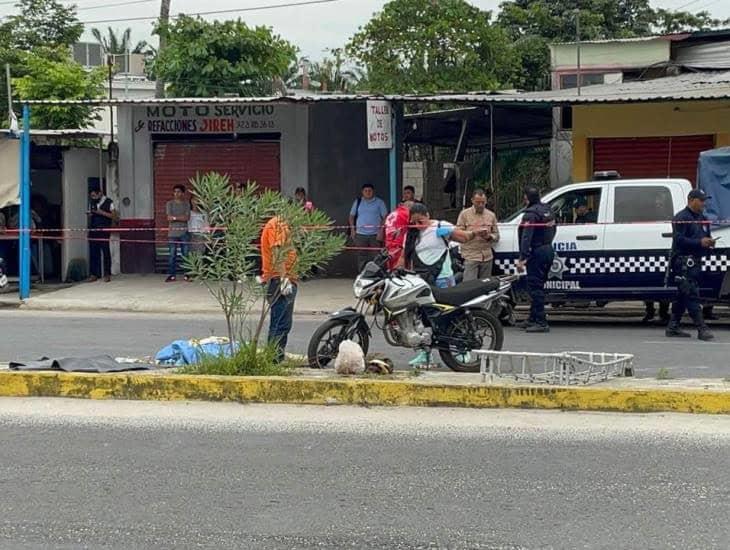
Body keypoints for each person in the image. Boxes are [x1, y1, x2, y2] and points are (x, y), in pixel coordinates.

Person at [404, 202, 489, 366]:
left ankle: (462, 352)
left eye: (420, 221)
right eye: (413, 222)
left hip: (443, 279)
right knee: (424, 318)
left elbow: (463, 237)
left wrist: (474, 233)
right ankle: (425, 354)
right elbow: (404, 257)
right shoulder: (412, 234)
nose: (417, 225)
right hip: (422, 283)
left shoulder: (441, 227)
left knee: (450, 317)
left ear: (428, 216)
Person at [666, 189, 715, 341]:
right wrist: (699, 242)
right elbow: (679, 240)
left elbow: (706, 236)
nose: (703, 203)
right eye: (701, 200)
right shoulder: (681, 218)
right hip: (683, 262)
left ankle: (673, 327)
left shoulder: (702, 217)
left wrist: (709, 242)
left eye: (704, 200)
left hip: (696, 262)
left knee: (683, 295)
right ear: (691, 200)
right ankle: (702, 328)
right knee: (691, 294)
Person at [516, 186, 556, 333]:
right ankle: (533, 318)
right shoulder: (547, 210)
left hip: (537, 253)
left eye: (524, 197)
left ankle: (540, 322)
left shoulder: (530, 214)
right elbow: (553, 229)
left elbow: (526, 237)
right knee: (538, 286)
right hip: (548, 250)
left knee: (535, 288)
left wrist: (522, 258)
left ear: (527, 198)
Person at [260, 215, 298, 362]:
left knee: (279, 322)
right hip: (278, 279)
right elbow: (277, 251)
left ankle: (274, 357)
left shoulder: (281, 225)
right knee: (281, 323)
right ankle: (274, 359)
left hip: (280, 278)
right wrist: (284, 278)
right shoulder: (278, 224)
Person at [456, 189, 500, 281]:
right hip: (470, 256)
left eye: (483, 203)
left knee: (485, 286)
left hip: (487, 256)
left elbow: (496, 235)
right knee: (469, 286)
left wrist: (489, 237)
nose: (480, 205)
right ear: (472, 200)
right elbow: (458, 233)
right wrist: (473, 233)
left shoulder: (491, 215)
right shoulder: (464, 214)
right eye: (478, 202)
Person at [349, 184, 388, 272]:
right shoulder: (358, 202)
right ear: (362, 192)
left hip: (375, 234)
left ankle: (378, 274)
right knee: (361, 255)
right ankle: (362, 274)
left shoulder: (379, 202)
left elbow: (385, 217)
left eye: (369, 191)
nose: (368, 193)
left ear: (373, 191)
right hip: (360, 234)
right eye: (365, 191)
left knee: (377, 255)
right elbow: (351, 216)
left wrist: (381, 231)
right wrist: (352, 229)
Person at [87, 188, 116, 282]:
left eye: (94, 195)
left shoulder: (109, 202)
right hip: (93, 229)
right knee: (93, 252)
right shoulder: (92, 202)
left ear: (100, 193)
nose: (93, 198)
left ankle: (107, 274)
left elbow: (115, 216)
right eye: (91, 196)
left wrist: (101, 212)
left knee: (105, 251)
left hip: (104, 230)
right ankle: (94, 274)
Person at [165, 184, 191, 282]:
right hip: (172, 234)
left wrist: (175, 217)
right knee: (172, 255)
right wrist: (179, 217)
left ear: (183, 193)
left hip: (184, 232)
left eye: (179, 192)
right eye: (175, 191)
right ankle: (172, 275)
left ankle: (187, 275)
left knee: (185, 255)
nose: (176, 194)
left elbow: (187, 218)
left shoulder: (186, 204)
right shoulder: (169, 204)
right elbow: (169, 218)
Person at [384, 199, 413, 271]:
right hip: (399, 245)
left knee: (391, 268)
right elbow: (414, 225)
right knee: (400, 270)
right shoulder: (406, 213)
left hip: (389, 245)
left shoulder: (392, 214)